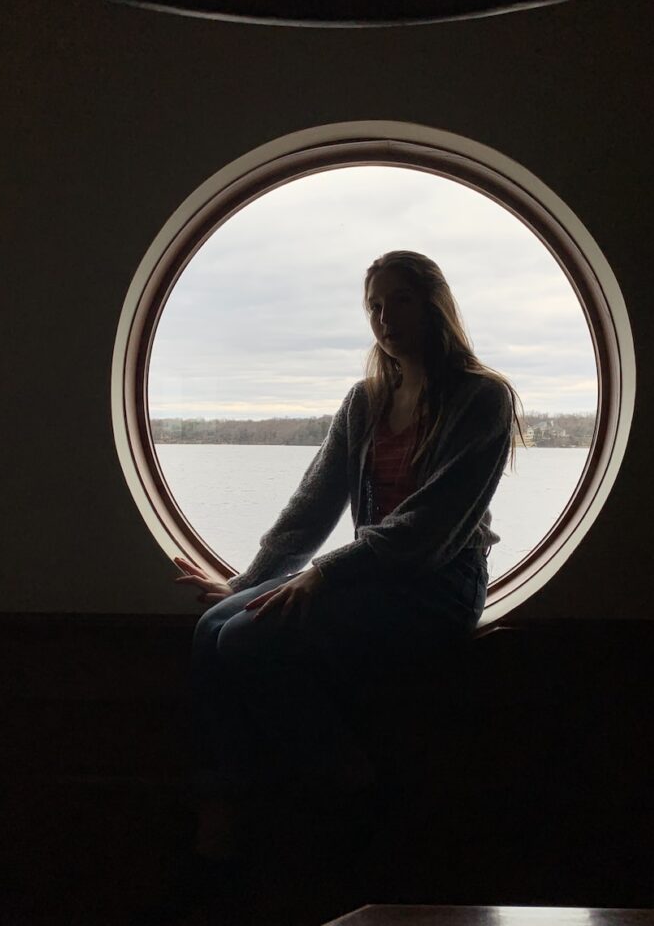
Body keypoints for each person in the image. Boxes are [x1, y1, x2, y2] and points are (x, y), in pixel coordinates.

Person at [169, 249, 524, 906]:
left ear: (434, 304)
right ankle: (218, 817)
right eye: (375, 306)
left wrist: (324, 574)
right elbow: (312, 506)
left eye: (400, 301)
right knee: (212, 626)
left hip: (439, 585)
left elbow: (429, 529)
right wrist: (247, 581)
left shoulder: (483, 398)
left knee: (245, 640)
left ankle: (348, 778)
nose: (385, 317)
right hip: (372, 577)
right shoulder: (366, 401)